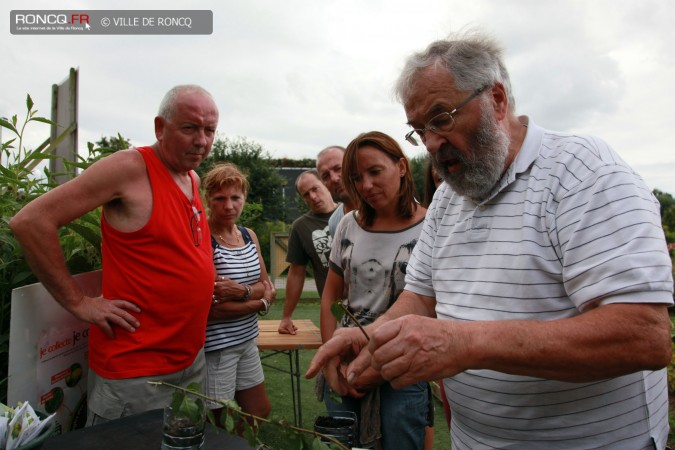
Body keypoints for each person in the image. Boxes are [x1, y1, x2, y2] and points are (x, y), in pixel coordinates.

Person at [307, 32, 674, 450]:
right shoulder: (448, 196)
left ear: (497, 100)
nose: (430, 143)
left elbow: (643, 336)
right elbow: (420, 297)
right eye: (419, 130)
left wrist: (466, 342)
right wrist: (371, 334)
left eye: (441, 118)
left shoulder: (584, 173)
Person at [9, 85, 219, 424]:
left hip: (190, 362)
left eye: (210, 130)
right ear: (160, 128)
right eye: (190, 128)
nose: (202, 141)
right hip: (136, 373)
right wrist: (79, 303)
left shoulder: (191, 178)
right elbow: (30, 221)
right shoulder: (129, 168)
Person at [319, 131, 429, 449]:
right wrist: (331, 359)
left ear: (402, 167)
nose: (365, 185)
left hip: (403, 365)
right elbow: (330, 297)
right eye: (357, 177)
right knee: (347, 445)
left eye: (375, 172)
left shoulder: (431, 226)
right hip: (345, 360)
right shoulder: (348, 225)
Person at [202, 163, 276, 426]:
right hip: (218, 347)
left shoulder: (248, 235)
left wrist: (242, 292)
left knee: (258, 410)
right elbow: (213, 309)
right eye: (220, 198)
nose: (229, 205)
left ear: (244, 198)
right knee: (219, 422)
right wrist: (261, 302)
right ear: (208, 199)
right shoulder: (203, 240)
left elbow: (266, 284)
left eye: (235, 197)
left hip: (247, 340)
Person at [277, 170, 337, 335]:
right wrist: (286, 316)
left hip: (369, 303)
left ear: (325, 184)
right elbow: (296, 273)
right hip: (334, 309)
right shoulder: (301, 227)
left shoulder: (353, 214)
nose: (312, 196)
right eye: (306, 194)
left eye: (315, 189)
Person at [316, 145, 354, 236]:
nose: (334, 179)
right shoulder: (334, 223)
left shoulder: (382, 207)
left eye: (338, 169)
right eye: (326, 176)